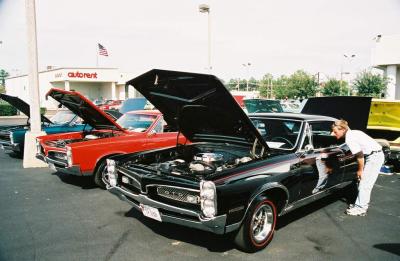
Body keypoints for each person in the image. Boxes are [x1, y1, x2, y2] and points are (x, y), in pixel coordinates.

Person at [331, 119, 384, 216]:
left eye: (335, 132)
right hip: (374, 155)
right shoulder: (353, 132)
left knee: (365, 184)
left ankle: (361, 208)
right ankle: (359, 204)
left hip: (374, 157)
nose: (333, 134)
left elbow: (360, 156)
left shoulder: (349, 138)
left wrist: (360, 170)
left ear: (342, 129)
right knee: (363, 183)